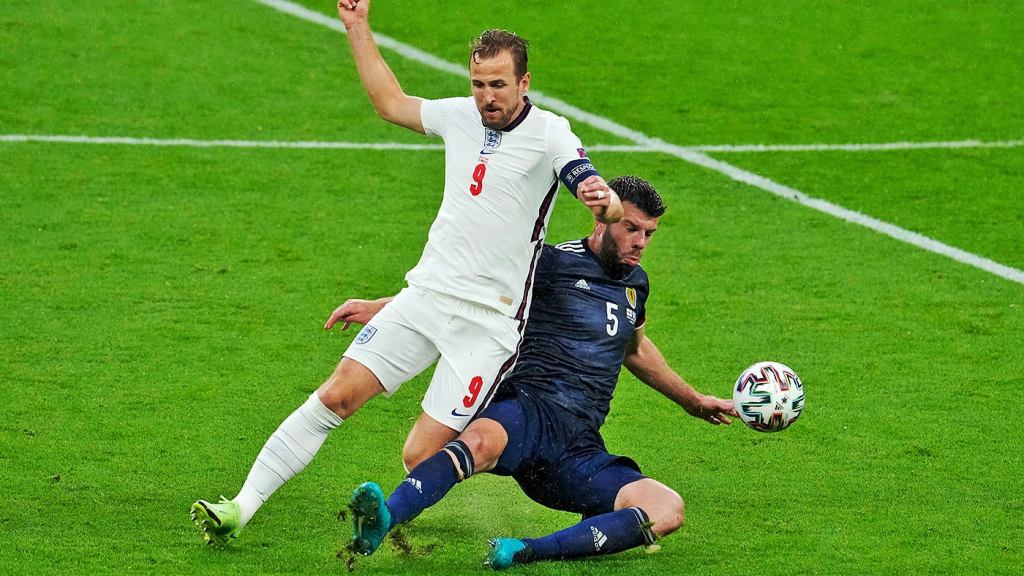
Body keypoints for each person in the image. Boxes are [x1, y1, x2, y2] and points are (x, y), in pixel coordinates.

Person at [190, 0, 623, 548]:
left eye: (497, 84)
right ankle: (239, 508)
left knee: (421, 456)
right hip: (424, 300)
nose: (486, 96)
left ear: (524, 81)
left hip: (488, 326)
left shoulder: (550, 133)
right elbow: (391, 103)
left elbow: (599, 197)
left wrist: (602, 201)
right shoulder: (460, 116)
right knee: (336, 397)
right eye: (477, 83)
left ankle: (535, 460)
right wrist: (357, 26)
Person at [338, 176, 736, 568]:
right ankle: (383, 518)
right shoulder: (551, 263)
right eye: (631, 228)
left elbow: (636, 348)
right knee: (478, 441)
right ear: (601, 219)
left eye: (649, 233)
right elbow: (463, 295)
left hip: (579, 447)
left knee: (667, 508)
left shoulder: (636, 284)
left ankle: (525, 550)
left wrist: (693, 401)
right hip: (527, 411)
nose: (640, 243)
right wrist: (382, 307)